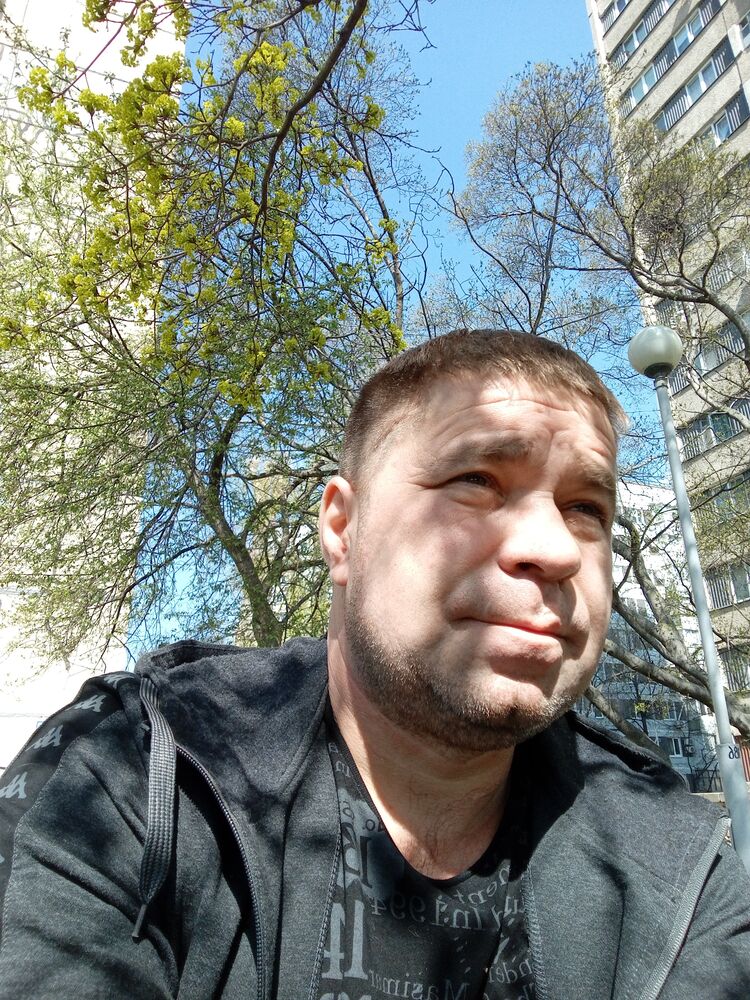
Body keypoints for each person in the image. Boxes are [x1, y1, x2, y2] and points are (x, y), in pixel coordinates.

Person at [0, 329, 748, 1000]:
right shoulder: (136, 772)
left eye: (587, 509)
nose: (553, 549)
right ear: (342, 530)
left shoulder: (680, 868)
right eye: (477, 481)